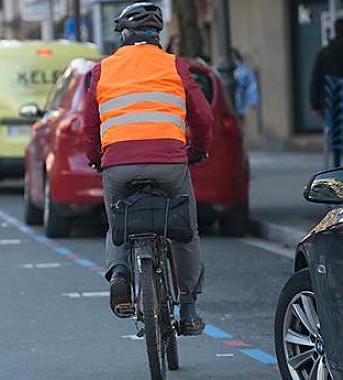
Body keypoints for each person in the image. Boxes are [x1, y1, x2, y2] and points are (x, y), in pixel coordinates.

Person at [81, 2, 213, 336]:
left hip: (118, 166)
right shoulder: (175, 65)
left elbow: (89, 123)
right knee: (185, 232)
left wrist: (97, 157)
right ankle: (188, 309)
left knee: (117, 226)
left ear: (124, 34)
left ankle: (121, 275)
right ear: (158, 34)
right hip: (169, 163)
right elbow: (202, 115)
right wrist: (197, 149)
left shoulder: (103, 70)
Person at [311, 19, 343, 167]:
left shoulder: (326, 52)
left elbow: (316, 80)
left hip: (331, 104)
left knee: (335, 137)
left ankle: (335, 168)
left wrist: (315, 104)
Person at [232, 48, 260, 122]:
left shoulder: (244, 71)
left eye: (234, 58)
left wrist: (253, 101)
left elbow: (252, 86)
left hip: (240, 107)